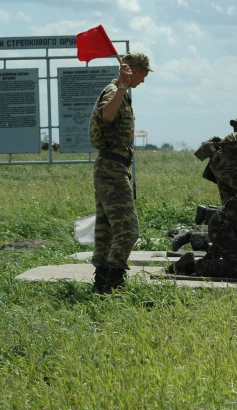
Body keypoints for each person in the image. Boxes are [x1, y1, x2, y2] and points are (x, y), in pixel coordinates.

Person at [89, 51, 153, 293]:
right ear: (134, 70)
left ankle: (101, 282)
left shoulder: (121, 92)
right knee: (128, 230)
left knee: (105, 230)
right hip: (111, 170)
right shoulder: (115, 91)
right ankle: (114, 283)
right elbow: (106, 115)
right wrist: (122, 86)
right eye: (144, 74)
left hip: (112, 168)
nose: (144, 80)